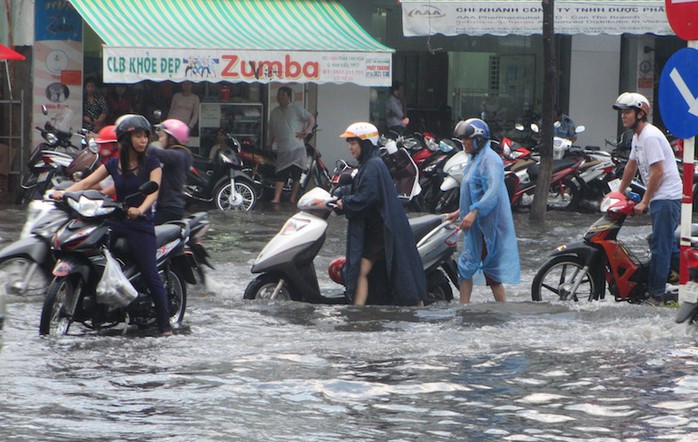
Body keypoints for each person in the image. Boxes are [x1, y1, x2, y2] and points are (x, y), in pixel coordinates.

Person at [51, 115, 173, 336]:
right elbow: (88, 182)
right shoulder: (114, 164)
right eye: (138, 135)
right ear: (126, 139)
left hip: (140, 225)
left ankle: (165, 326)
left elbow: (153, 192)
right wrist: (66, 193)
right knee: (98, 262)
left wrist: (140, 209)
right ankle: (100, 310)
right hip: (115, 221)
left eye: (145, 136)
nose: (143, 140)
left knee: (150, 274)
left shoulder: (152, 163)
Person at [336, 122, 426, 306]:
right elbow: (359, 189)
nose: (350, 148)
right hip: (379, 229)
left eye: (353, 143)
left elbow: (367, 197)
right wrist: (340, 196)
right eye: (349, 143)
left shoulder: (372, 167)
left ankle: (357, 311)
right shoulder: (370, 165)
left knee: (363, 269)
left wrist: (344, 203)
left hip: (380, 231)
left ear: (366, 144)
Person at [613, 92, 682, 306]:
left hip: (666, 198)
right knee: (664, 245)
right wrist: (618, 191)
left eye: (628, 112)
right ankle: (688, 279)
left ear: (640, 114)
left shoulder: (650, 136)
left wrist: (644, 201)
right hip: (660, 198)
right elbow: (631, 166)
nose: (623, 116)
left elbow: (657, 172)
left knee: (661, 247)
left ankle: (656, 296)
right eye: (622, 113)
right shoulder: (638, 137)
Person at [445, 118, 520, 304]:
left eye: (466, 139)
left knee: (491, 272)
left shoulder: (490, 160)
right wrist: (460, 212)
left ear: (478, 139)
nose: (463, 142)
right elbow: (472, 192)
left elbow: (492, 192)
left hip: (488, 226)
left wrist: (474, 212)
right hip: (476, 226)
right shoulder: (474, 159)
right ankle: (464, 308)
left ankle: (502, 312)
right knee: (466, 266)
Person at [267, 86, 315, 204]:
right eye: (279, 95)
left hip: (297, 149)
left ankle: (293, 198)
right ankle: (276, 198)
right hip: (283, 150)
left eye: (282, 95)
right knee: (280, 174)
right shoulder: (275, 112)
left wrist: (308, 130)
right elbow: (272, 130)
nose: (280, 97)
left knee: (296, 176)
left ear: (289, 97)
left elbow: (311, 118)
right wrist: (269, 144)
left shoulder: (296, 109)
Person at [150, 119, 193, 225]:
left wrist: (141, 143)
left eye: (162, 136)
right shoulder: (183, 154)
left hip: (169, 208)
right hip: (168, 206)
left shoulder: (178, 155)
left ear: (172, 139)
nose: (159, 140)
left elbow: (154, 152)